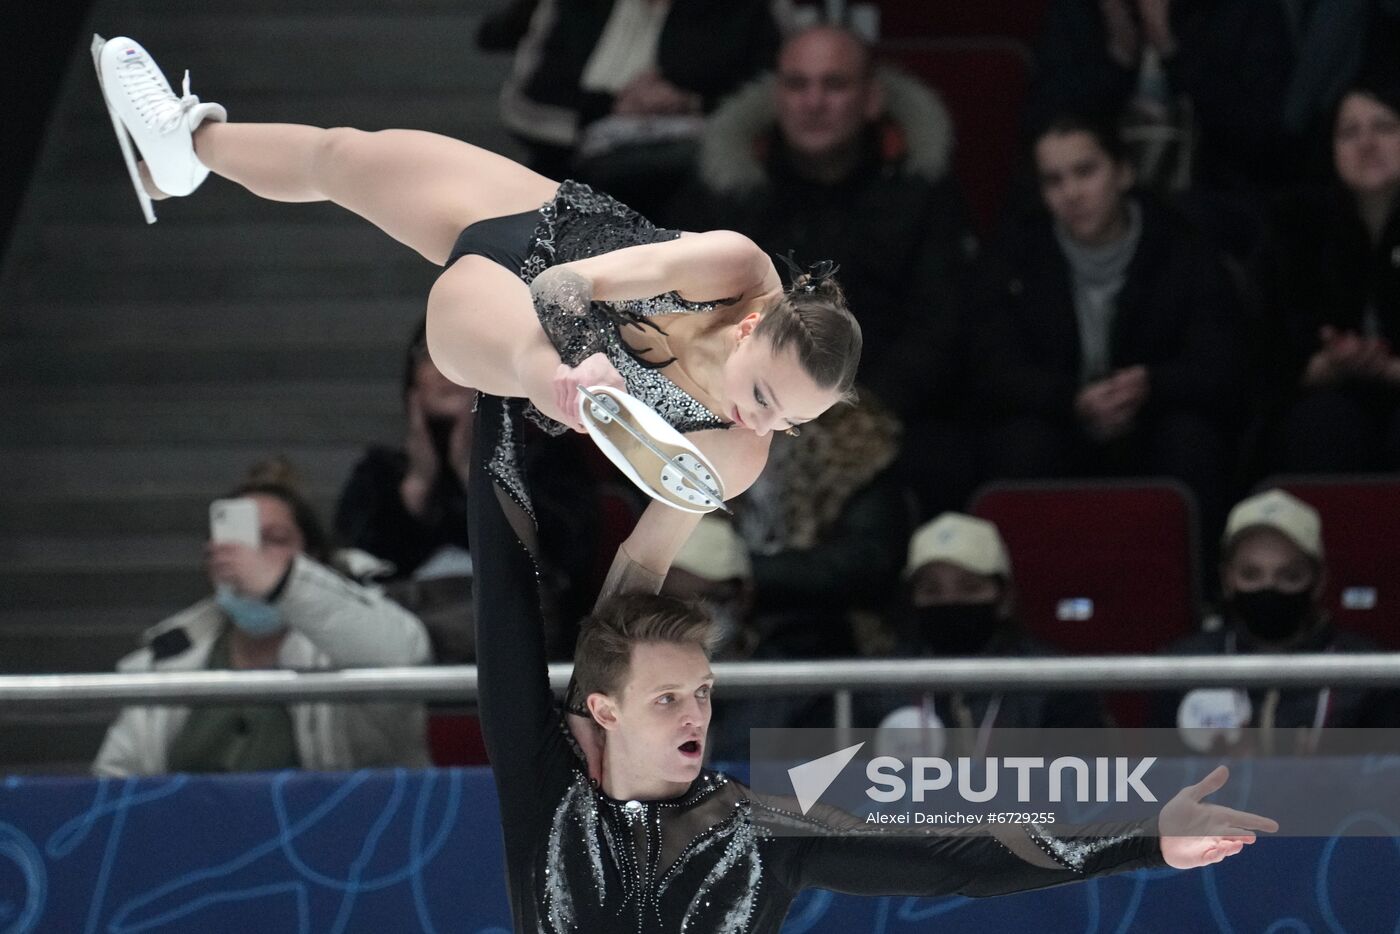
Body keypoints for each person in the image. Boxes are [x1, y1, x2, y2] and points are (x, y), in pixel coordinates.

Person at [94, 35, 862, 593]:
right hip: (539, 228)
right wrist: (586, 352)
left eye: (790, 422)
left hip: (517, 334)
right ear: (750, 328)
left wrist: (606, 684)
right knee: (341, 156)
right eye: (764, 395)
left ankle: (566, 388)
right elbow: (563, 284)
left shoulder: (736, 453)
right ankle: (186, 147)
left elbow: (643, 560)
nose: (763, 424)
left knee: (534, 358)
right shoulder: (734, 269)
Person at [469, 408, 1276, 932]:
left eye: (704, 693)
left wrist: (1146, 840)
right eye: (669, 698)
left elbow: (958, 858)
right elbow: (503, 591)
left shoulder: (756, 831)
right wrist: (496, 392)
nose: (695, 715)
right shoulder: (548, 789)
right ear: (604, 710)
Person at [668, 24, 980, 516]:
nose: (813, 102)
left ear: (872, 98)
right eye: (797, 84)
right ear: (776, 96)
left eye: (834, 84)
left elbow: (940, 322)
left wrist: (856, 411)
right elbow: (687, 311)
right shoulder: (727, 189)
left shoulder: (921, 191)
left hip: (885, 410)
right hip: (739, 405)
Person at [973, 113, 1241, 552]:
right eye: (1054, 180)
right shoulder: (1016, 255)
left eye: (1085, 172)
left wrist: (1151, 385)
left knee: (1190, 439)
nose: (1071, 193)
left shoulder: (1182, 245)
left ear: (1124, 172)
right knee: (1020, 444)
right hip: (1057, 421)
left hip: (1155, 417)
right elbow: (992, 368)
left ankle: (1199, 579)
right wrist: (1070, 400)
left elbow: (1220, 363)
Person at [93, 462, 432, 776]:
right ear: (212, 560)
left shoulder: (348, 640)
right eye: (238, 543)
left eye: (275, 540)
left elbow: (404, 658)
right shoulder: (169, 657)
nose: (252, 556)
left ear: (312, 558)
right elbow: (114, 780)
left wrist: (284, 584)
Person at [1151, 489, 1400, 749]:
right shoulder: (1186, 669)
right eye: (1251, 575)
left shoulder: (1367, 675)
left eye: (1289, 576)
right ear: (1227, 579)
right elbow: (1156, 771)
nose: (1268, 588)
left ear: (1318, 581)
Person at [861, 513, 1108, 757]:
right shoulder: (878, 687)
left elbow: (1080, 777)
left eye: (970, 588)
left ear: (1004, 599)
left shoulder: (1056, 685)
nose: (950, 602)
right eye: (931, 590)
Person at [1255, 80, 1400, 473]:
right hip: (1322, 397)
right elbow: (1267, 351)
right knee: (1323, 425)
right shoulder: (1296, 225)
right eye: (1349, 132)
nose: (1367, 143)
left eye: (1384, 127)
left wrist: (1389, 370)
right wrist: (1323, 364)